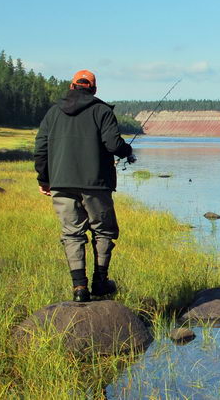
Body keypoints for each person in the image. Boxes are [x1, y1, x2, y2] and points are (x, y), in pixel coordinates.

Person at [34, 70, 137, 302]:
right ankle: (100, 282)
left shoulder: (53, 112)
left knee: (72, 234)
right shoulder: (102, 111)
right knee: (103, 230)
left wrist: (44, 179)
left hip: (61, 183)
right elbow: (113, 144)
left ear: (71, 87)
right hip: (96, 184)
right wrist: (127, 150)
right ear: (94, 89)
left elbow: (40, 148)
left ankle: (79, 288)